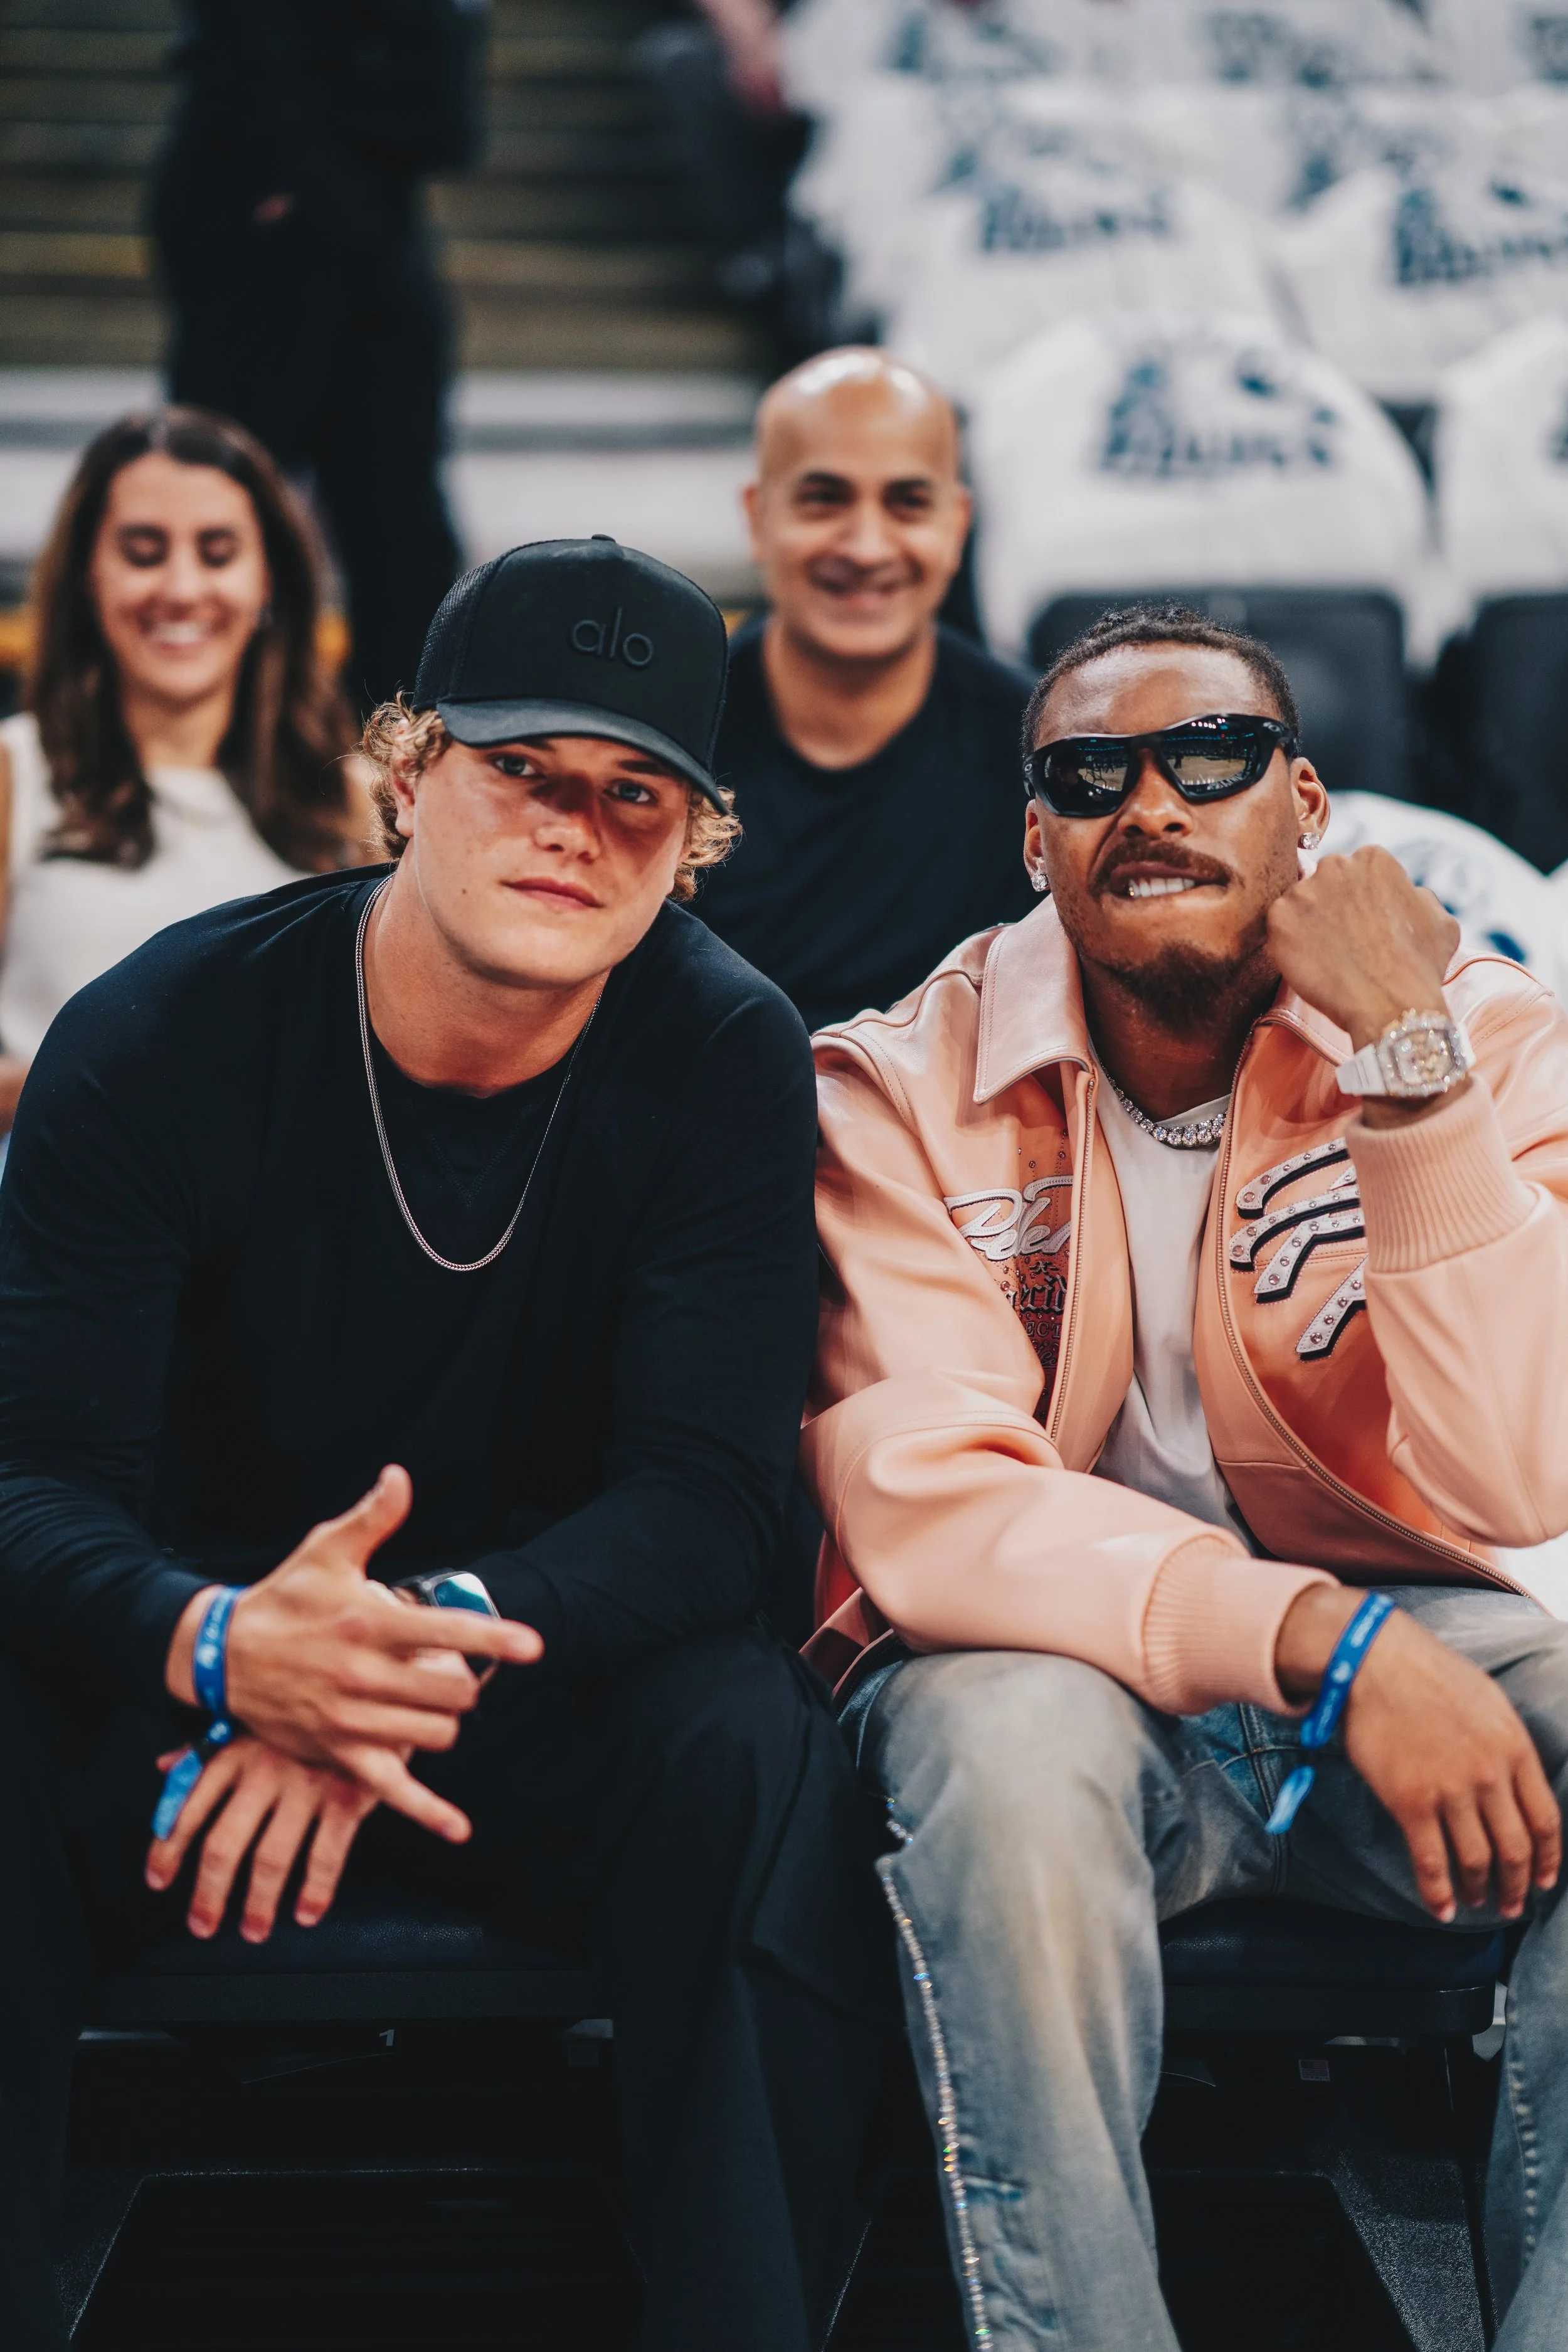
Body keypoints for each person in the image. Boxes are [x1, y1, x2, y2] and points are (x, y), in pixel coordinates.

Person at [0, 537, 890, 2352]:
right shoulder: (158, 1034)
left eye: (635, 793)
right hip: (177, 1677)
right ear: (402, 776)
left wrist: (392, 1663)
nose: (576, 826)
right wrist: (235, 1647)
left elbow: (713, 1502)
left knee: (746, 1738)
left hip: (529, 1687)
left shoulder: (725, 1046)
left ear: (692, 841)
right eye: (522, 769)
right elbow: (28, 1472)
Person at [804, 601, 1568, 2352]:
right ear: (1033, 837)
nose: (1147, 802)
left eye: (1207, 757)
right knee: (998, 1742)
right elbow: (937, 1501)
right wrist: (1320, 1640)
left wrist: (1405, 1067)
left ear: (1307, 805)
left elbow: (1518, 1471)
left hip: (1405, 1644)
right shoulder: (892, 1089)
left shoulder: (1485, 1035)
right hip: (1065, 1679)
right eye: (1088, 772)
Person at [0, 405, 369, 1142]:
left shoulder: (355, 798)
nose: (180, 586)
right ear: (88, 577)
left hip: (283, 1239)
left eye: (217, 551)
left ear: (269, 577)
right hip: (59, 1222)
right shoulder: (16, 772)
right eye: (142, 551)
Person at [693, 347, 1037, 1034]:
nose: (866, 546)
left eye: (907, 504)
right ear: (759, 518)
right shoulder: (664, 738)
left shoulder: (1040, 754)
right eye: (825, 500)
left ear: (956, 525)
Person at [150, 0, 478, 712]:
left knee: (387, 523)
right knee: (221, 506)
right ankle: (230, 731)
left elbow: (448, 117)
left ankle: (392, 739)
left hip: (338, 219)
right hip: (272, 217)